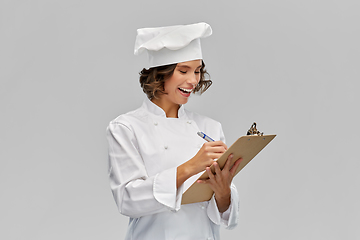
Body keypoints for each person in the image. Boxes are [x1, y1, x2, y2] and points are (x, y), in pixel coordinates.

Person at [106, 22, 242, 240]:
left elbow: (226, 214)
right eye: (183, 70)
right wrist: (191, 166)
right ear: (160, 74)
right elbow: (127, 199)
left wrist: (224, 191)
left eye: (197, 71)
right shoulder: (126, 127)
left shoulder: (210, 127)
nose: (193, 80)